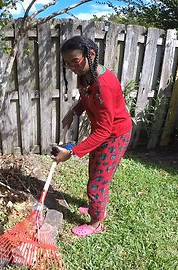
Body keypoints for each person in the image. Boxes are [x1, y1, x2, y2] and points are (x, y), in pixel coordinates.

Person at [52, 35, 132, 237]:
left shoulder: (104, 84)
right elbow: (85, 97)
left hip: (114, 135)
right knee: (95, 172)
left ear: (91, 54)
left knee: (97, 182)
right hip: (104, 132)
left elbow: (105, 131)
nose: (71, 66)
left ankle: (96, 222)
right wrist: (73, 112)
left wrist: (71, 153)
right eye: (67, 63)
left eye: (75, 61)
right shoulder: (85, 75)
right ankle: (95, 206)